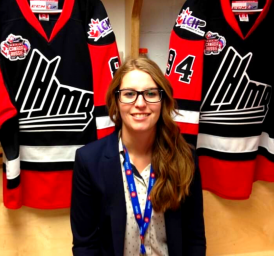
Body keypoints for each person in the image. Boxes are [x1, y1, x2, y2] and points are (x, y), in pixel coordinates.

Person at [70, 58, 206, 256]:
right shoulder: (89, 161)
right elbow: (85, 245)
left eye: (151, 93)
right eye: (129, 94)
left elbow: (195, 239)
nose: (140, 103)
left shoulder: (185, 157)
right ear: (116, 100)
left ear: (163, 100)